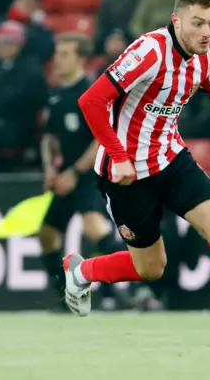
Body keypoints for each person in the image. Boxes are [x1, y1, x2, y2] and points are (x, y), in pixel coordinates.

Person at [67, 0, 210, 343]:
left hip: (170, 158)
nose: (206, 33)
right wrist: (119, 157)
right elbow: (91, 100)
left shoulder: (205, 61)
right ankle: (83, 272)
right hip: (125, 174)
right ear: (177, 20)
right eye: (198, 23)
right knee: (150, 269)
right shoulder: (149, 52)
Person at [38, 33, 151, 312]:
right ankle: (65, 293)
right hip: (65, 177)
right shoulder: (55, 96)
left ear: (81, 59)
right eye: (57, 54)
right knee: (46, 233)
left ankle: (133, 288)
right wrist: (50, 169)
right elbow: (49, 139)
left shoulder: (91, 92)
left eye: (65, 54)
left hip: (92, 175)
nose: (58, 60)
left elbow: (102, 137)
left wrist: (74, 172)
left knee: (94, 226)